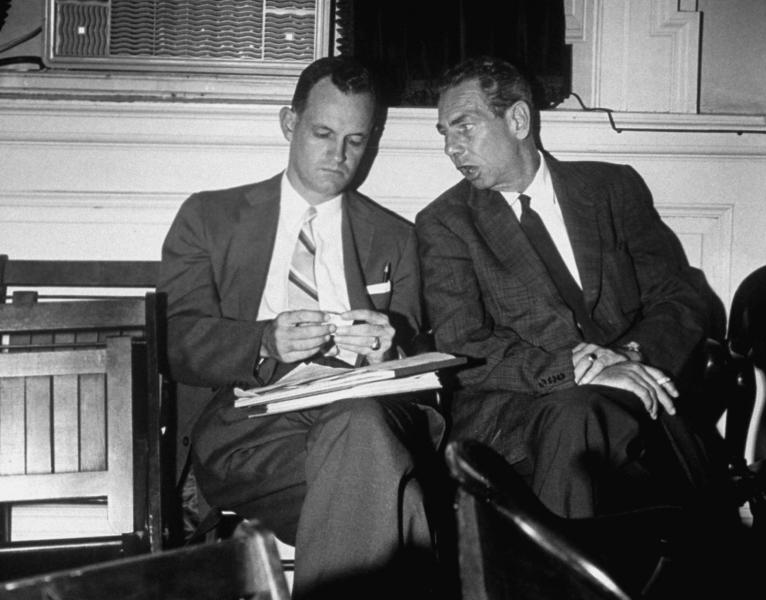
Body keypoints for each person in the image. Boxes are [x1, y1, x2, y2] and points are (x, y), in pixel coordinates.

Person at [158, 56, 444, 599]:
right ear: (289, 124)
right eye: (323, 133)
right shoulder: (208, 218)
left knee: (365, 440)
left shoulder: (395, 237)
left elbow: (421, 356)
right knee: (394, 483)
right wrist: (262, 340)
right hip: (249, 425)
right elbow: (176, 337)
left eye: (356, 141)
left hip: (359, 415)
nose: (339, 156)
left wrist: (388, 352)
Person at [416, 56, 715, 522]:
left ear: (517, 119)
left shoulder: (611, 189)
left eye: (465, 128)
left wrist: (631, 358)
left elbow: (681, 296)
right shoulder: (447, 223)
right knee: (579, 414)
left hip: (634, 393)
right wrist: (578, 369)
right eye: (445, 134)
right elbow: (462, 346)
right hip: (521, 411)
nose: (452, 149)